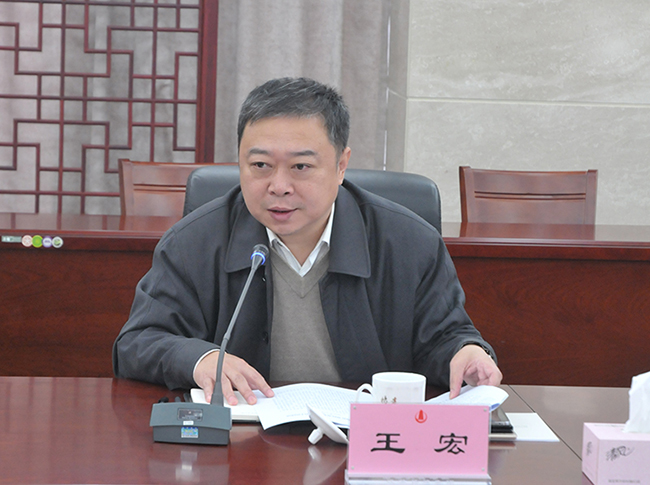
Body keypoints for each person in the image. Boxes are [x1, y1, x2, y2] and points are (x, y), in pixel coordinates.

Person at [113, 77, 502, 406]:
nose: (279, 186)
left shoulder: (409, 243)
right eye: (260, 165)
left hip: (364, 441)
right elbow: (137, 342)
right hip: (244, 440)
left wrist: (466, 352)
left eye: (301, 166)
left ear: (341, 165)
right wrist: (200, 359)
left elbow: (444, 337)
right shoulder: (193, 242)